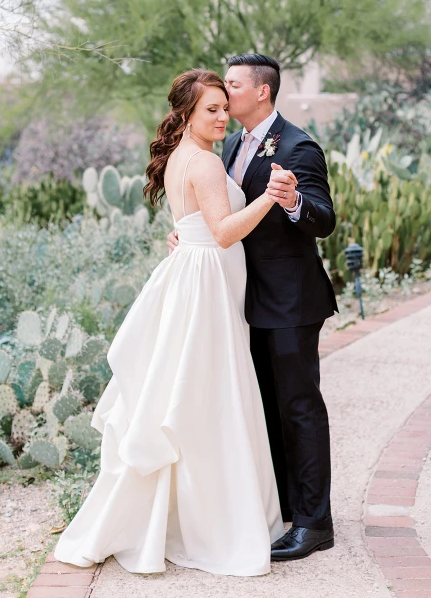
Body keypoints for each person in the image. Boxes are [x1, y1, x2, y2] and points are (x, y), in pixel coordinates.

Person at [54, 68, 288, 577]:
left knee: (189, 393)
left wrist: (190, 236)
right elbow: (224, 233)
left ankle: (181, 516)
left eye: (225, 107)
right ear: (186, 113)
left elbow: (194, 226)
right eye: (211, 109)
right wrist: (270, 197)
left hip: (193, 274)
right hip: (205, 284)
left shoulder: (184, 158)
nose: (223, 116)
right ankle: (213, 524)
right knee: (208, 396)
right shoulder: (203, 163)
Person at [168, 53, 338, 561]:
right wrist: (189, 233)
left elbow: (324, 218)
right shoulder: (232, 145)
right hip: (242, 300)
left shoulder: (296, 145)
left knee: (299, 408)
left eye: (234, 86)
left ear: (261, 91)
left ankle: (314, 523)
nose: (226, 94)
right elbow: (219, 211)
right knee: (264, 408)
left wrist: (290, 202)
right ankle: (285, 508)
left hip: (289, 301)